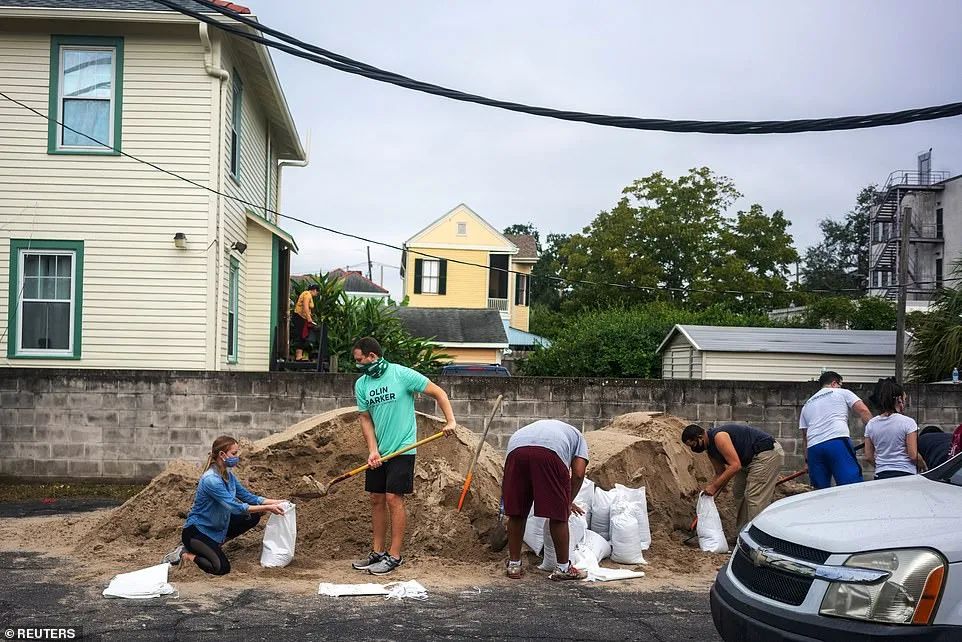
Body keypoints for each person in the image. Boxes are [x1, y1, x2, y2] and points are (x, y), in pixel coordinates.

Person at [350, 336, 457, 576]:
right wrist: (372, 450)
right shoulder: (362, 384)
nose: (358, 365)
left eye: (360, 360)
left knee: (393, 498)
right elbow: (365, 418)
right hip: (379, 452)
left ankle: (394, 555)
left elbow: (439, 393)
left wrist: (450, 420)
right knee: (376, 499)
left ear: (372, 357)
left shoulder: (401, 375)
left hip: (403, 449)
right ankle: (377, 552)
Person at [162, 436, 288, 575]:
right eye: (234, 453)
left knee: (252, 516)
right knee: (221, 568)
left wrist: (278, 502)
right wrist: (268, 508)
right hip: (197, 532)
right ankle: (184, 555)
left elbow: (248, 497)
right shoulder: (211, 480)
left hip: (216, 526)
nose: (237, 457)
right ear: (222, 455)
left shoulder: (227, 475)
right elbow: (235, 507)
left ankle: (214, 546)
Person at [501, 419, 589, 581]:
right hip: (550, 453)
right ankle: (563, 568)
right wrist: (567, 502)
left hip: (515, 451)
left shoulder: (536, 428)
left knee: (517, 512)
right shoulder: (579, 437)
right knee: (557, 514)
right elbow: (578, 473)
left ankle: (514, 565)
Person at [682, 423, 784, 532]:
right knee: (738, 492)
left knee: (754, 496)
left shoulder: (719, 437)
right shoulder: (710, 449)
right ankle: (743, 532)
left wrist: (714, 487)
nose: (693, 448)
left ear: (700, 437)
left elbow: (735, 466)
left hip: (766, 454)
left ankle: (758, 536)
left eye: (693, 444)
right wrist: (710, 494)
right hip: (748, 461)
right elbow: (720, 472)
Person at [798, 371, 872, 489]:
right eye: (839, 384)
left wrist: (807, 462)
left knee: (819, 492)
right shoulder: (842, 392)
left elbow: (805, 437)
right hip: (836, 441)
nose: (840, 387)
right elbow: (864, 411)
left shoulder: (807, 404)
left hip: (814, 449)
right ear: (834, 383)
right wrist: (873, 435)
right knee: (851, 486)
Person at [863, 380, 919, 480]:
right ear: (899, 399)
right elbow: (913, 455)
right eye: (904, 399)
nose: (905, 402)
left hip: (881, 474)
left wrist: (882, 466)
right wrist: (923, 464)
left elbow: (868, 456)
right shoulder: (908, 422)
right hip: (905, 473)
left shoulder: (871, 424)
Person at [292, 284, 319, 361]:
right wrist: (309, 317)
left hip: (302, 318)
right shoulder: (307, 294)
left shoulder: (307, 294)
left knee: (303, 335)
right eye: (317, 292)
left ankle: (301, 355)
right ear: (314, 290)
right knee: (300, 335)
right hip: (300, 317)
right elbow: (305, 306)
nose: (316, 294)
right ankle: (298, 356)